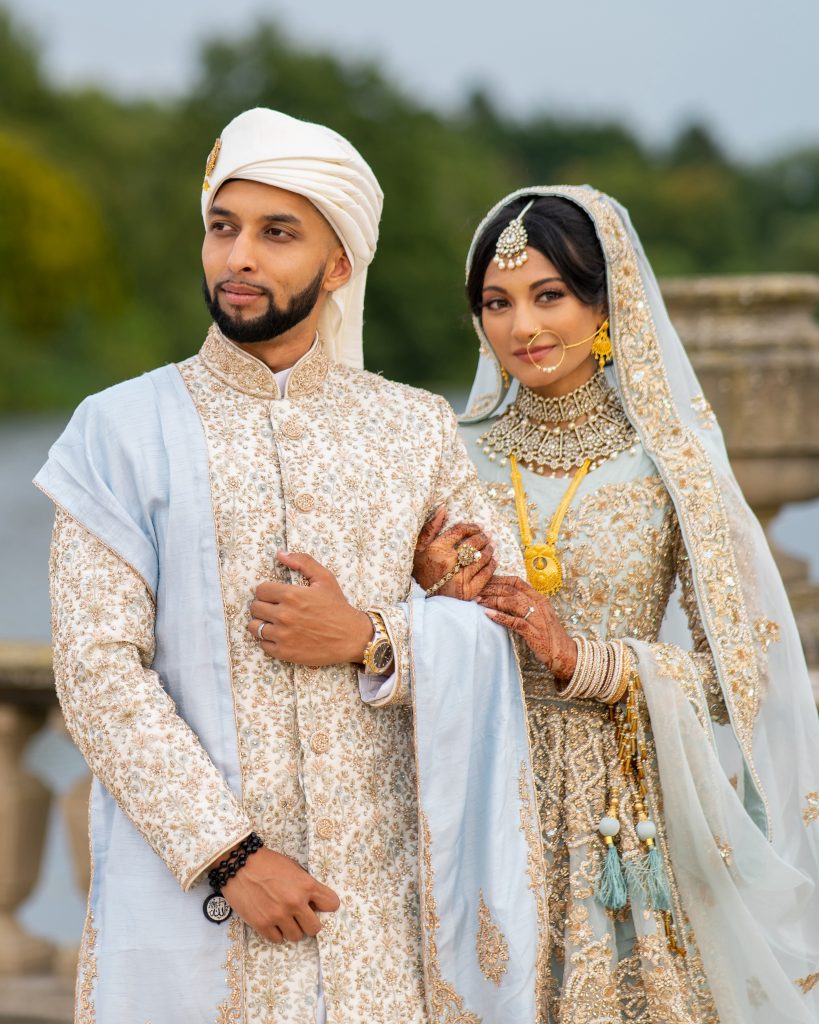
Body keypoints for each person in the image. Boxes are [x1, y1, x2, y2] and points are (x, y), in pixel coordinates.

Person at [34, 110, 550, 1024]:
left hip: (382, 911)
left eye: (277, 234)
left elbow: (499, 633)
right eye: (222, 227)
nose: (238, 257)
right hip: (197, 895)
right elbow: (96, 671)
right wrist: (231, 856)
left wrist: (373, 638)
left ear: (338, 264)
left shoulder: (412, 428)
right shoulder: (118, 432)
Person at [414, 186, 819, 1023]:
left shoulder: (669, 466)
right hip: (472, 792)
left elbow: (741, 681)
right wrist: (430, 598)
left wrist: (584, 661)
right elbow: (383, 648)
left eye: (548, 295)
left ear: (606, 304)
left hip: (620, 824)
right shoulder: (442, 454)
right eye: (496, 302)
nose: (521, 326)